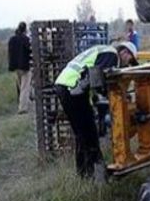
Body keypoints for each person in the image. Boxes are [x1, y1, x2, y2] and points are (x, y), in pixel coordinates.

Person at [54, 42, 138, 179]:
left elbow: (93, 75)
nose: (127, 64)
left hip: (67, 85)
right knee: (88, 133)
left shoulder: (104, 50)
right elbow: (100, 80)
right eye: (130, 60)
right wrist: (117, 97)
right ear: (125, 52)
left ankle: (84, 175)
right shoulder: (112, 55)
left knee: (82, 133)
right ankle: (97, 175)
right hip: (72, 87)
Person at [8, 21, 32, 114]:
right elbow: (30, 52)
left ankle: (25, 103)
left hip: (15, 67)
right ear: (25, 29)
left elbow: (10, 53)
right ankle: (22, 108)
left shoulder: (11, 40)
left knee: (20, 86)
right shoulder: (26, 39)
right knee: (25, 87)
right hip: (25, 66)